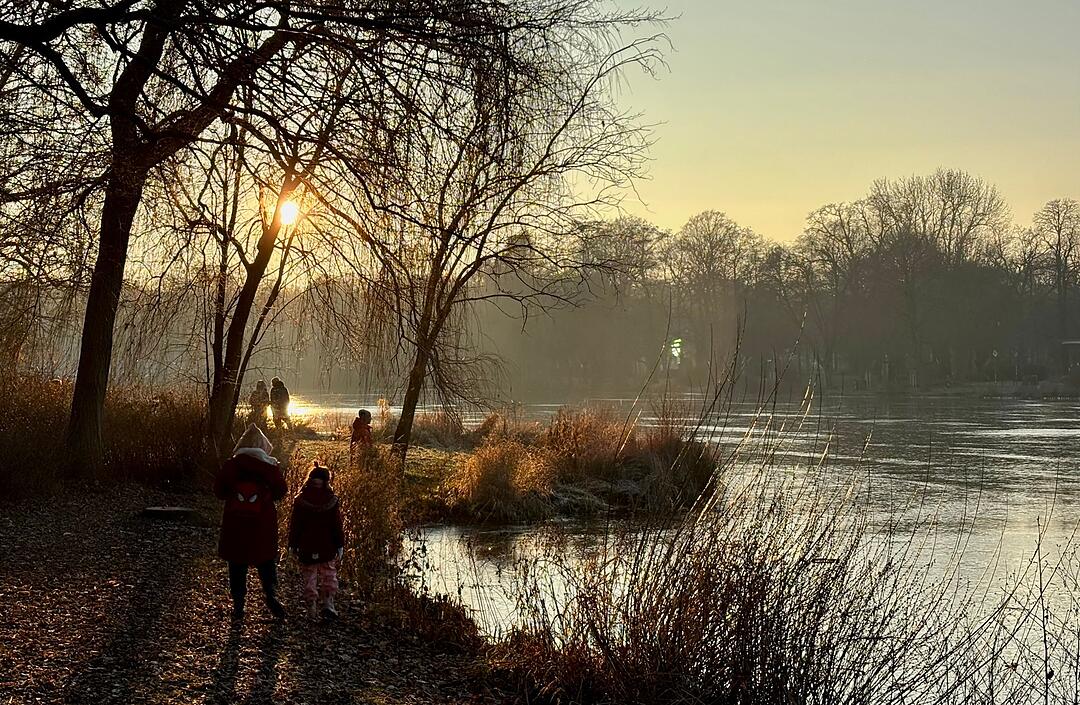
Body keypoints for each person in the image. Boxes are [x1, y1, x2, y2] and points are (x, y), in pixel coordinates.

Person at [215, 424, 287, 622]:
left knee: (237, 564)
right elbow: (281, 491)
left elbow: (219, 491)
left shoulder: (232, 464)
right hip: (262, 523)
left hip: (235, 523)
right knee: (266, 561)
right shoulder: (270, 466)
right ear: (264, 445)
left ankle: (238, 607)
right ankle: (271, 596)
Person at [288, 463, 344, 619]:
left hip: (306, 544)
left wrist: (292, 544)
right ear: (327, 481)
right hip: (327, 544)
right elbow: (336, 525)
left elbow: (295, 524)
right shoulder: (331, 499)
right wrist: (340, 544)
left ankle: (311, 607)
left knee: (309, 576)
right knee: (329, 574)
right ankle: (328, 604)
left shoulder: (301, 499)